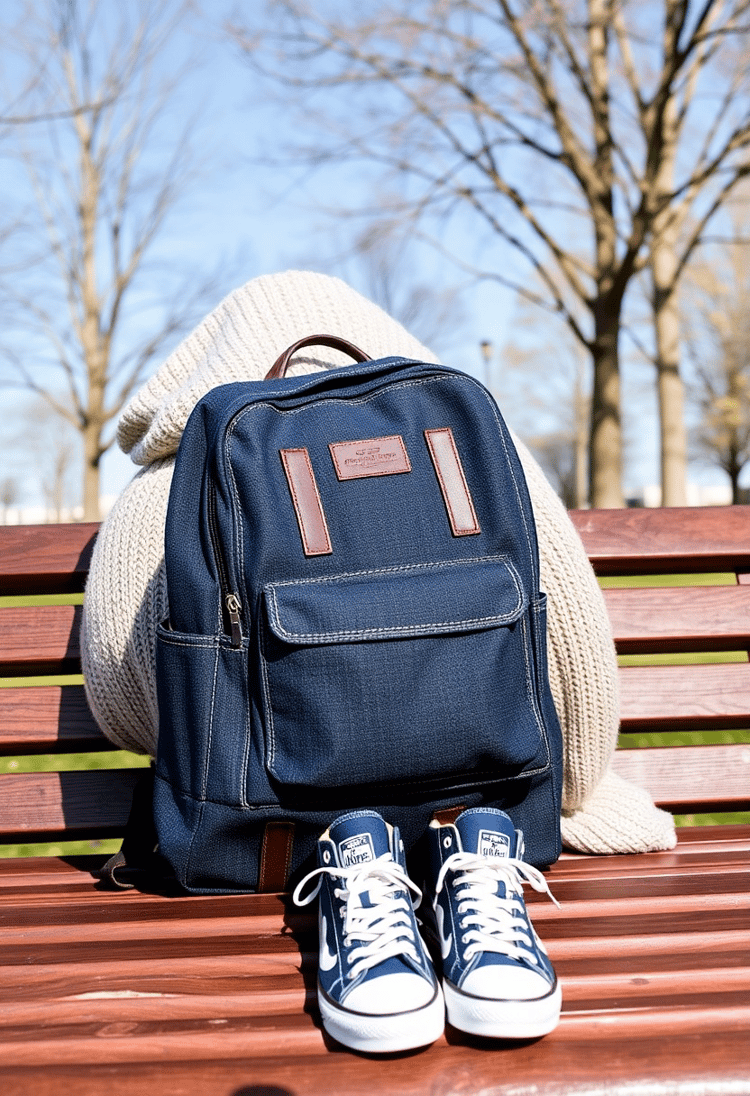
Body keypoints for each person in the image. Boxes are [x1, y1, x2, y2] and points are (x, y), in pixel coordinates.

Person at [81, 269, 676, 1050]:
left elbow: (121, 707)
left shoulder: (159, 483)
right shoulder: (457, 428)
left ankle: (377, 863)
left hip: (268, 821)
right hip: (489, 784)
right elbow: (573, 668)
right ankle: (470, 846)